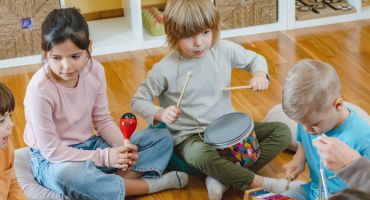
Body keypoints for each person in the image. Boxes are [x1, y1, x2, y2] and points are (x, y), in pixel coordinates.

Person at [131, 0, 292, 199]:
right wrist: (161, 113)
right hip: (191, 136)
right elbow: (138, 100)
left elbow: (254, 59)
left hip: (227, 128)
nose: (199, 42)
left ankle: (220, 176)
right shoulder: (164, 69)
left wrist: (260, 74)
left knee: (281, 132)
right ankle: (262, 182)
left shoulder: (222, 49)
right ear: (173, 35)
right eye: (189, 36)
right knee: (200, 155)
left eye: (206, 32)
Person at [23, 8, 187, 200]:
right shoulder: (39, 90)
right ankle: (149, 186)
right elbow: (52, 151)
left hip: (90, 145)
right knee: (68, 176)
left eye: (75, 56)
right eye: (56, 58)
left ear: (89, 49)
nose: (66, 66)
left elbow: (102, 120)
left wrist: (122, 149)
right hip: (53, 159)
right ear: (46, 53)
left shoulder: (96, 71)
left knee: (162, 137)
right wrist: (106, 157)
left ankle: (112, 185)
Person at [280, 59, 370, 199]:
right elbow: (302, 143)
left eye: (314, 124)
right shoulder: (308, 121)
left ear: (338, 105)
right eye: (302, 124)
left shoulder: (363, 137)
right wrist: (299, 159)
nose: (307, 129)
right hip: (312, 191)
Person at [0, 82, 26, 200]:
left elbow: (13, 184)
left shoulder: (6, 146)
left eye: (9, 116)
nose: (11, 124)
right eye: (1, 121)